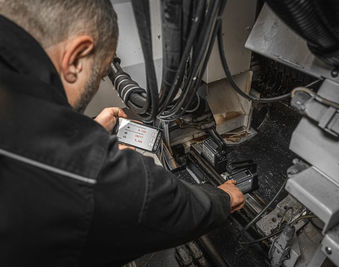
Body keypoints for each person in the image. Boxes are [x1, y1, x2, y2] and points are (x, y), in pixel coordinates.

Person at [0, 0, 245, 266]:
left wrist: (90, 131)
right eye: (102, 73)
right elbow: (154, 205)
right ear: (75, 59)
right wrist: (222, 198)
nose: (96, 85)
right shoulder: (81, 170)